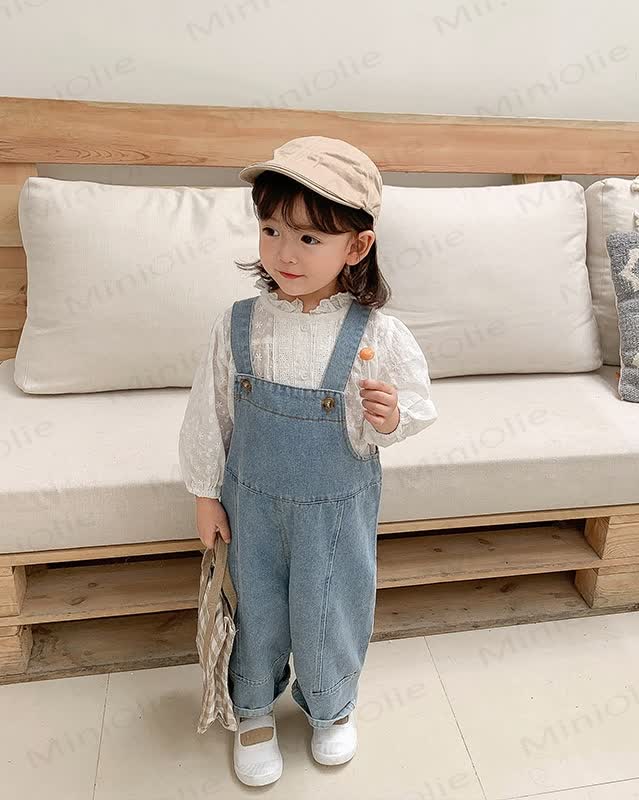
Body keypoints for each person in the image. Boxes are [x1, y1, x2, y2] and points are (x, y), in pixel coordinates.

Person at [178, 136, 438, 786]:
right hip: (251, 508)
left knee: (331, 610)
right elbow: (209, 412)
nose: (284, 253)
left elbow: (415, 406)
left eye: (309, 238)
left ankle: (331, 705)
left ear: (357, 246)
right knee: (255, 608)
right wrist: (205, 493)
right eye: (271, 230)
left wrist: (390, 416)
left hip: (336, 514)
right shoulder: (240, 324)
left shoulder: (375, 333)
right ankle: (253, 709)